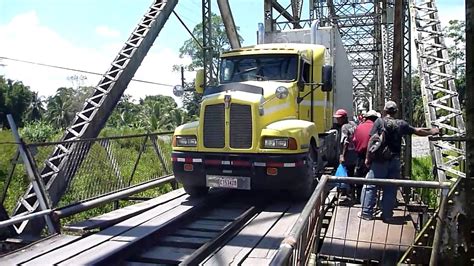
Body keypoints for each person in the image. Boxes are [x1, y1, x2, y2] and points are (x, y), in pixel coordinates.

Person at [358, 101, 439, 222]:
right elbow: (418, 131)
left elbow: (372, 140)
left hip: (380, 161)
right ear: (396, 111)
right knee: (391, 188)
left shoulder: (379, 122)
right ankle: (387, 215)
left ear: (385, 111)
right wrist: (433, 131)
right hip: (394, 160)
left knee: (370, 185)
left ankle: (366, 213)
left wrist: (368, 158)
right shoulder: (401, 124)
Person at [352, 110, 379, 202]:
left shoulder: (359, 127)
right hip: (373, 156)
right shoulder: (377, 127)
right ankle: (370, 200)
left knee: (359, 177)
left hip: (360, 156)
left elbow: (354, 141)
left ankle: (359, 198)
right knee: (372, 179)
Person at [333, 109, 357, 202]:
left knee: (347, 174)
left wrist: (342, 155)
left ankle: (349, 195)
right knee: (353, 174)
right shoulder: (353, 124)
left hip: (348, 153)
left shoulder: (344, 127)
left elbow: (345, 142)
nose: (337, 120)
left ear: (343, 118)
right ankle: (353, 194)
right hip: (356, 152)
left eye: (338, 118)